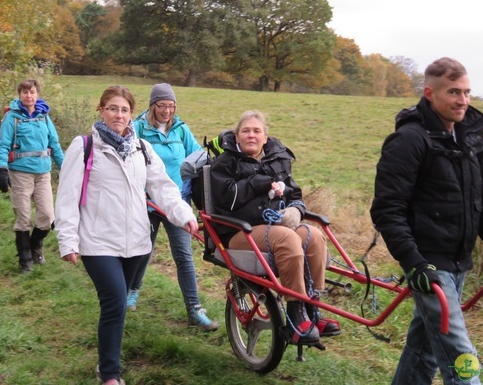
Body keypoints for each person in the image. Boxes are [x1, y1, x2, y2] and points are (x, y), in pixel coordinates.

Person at [54, 85, 198, 385]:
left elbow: (163, 188)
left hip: (137, 242)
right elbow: (66, 197)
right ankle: (109, 373)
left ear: (132, 114)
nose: (118, 115)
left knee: (118, 303)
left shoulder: (142, 149)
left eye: (124, 110)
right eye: (112, 108)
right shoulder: (84, 147)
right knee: (116, 302)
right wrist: (67, 240)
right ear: (101, 110)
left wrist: (184, 214)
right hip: (97, 241)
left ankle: (109, 360)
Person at [370, 57, 483, 385]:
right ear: (429, 93)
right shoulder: (410, 140)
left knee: (424, 348)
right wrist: (413, 262)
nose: (463, 101)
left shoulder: (474, 139)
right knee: (462, 359)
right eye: (454, 92)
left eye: (467, 92)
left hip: (460, 261)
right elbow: (387, 208)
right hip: (429, 264)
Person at [210, 110, 341, 346]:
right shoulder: (224, 163)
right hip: (240, 232)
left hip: (274, 226)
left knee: (314, 236)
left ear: (265, 137)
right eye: (246, 131)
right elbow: (227, 199)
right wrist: (261, 181)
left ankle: (312, 309)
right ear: (237, 136)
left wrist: (295, 211)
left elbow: (295, 195)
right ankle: (294, 315)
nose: (251, 135)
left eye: (256, 131)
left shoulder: (277, 159)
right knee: (288, 240)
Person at [126, 83, 217, 331]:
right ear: (152, 105)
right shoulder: (137, 129)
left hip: (176, 202)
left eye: (171, 106)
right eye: (162, 105)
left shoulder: (180, 129)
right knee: (143, 250)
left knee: (184, 255)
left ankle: (194, 310)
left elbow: (197, 155)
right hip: (146, 201)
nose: (166, 111)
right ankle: (131, 291)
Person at [0, 79, 64, 273]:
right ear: (19, 95)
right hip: (20, 173)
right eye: (25, 92)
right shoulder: (12, 117)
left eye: (32, 92)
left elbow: (55, 144)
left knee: (48, 215)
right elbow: (2, 145)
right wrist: (2, 169)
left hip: (43, 173)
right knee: (23, 216)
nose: (28, 95)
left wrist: (67, 168)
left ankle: (36, 245)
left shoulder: (44, 117)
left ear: (37, 94)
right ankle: (25, 258)